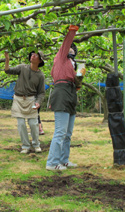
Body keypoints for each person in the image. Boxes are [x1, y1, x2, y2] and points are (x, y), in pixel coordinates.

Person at [46, 25, 81, 171]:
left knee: (68, 133)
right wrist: (72, 30)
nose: (71, 49)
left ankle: (63, 160)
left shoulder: (72, 65)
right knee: (60, 131)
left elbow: (77, 84)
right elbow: (66, 43)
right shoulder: (60, 57)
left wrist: (79, 79)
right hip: (61, 93)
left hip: (71, 93)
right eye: (70, 48)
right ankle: (52, 163)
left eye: (74, 49)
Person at [4, 50, 45, 153]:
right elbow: (7, 70)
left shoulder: (40, 75)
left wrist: (38, 102)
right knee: (21, 124)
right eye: (32, 54)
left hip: (31, 100)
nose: (33, 55)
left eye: (36, 55)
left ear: (40, 61)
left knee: (33, 123)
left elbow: (41, 92)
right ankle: (25, 146)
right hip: (18, 99)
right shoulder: (22, 68)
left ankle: (36, 144)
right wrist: (7, 59)